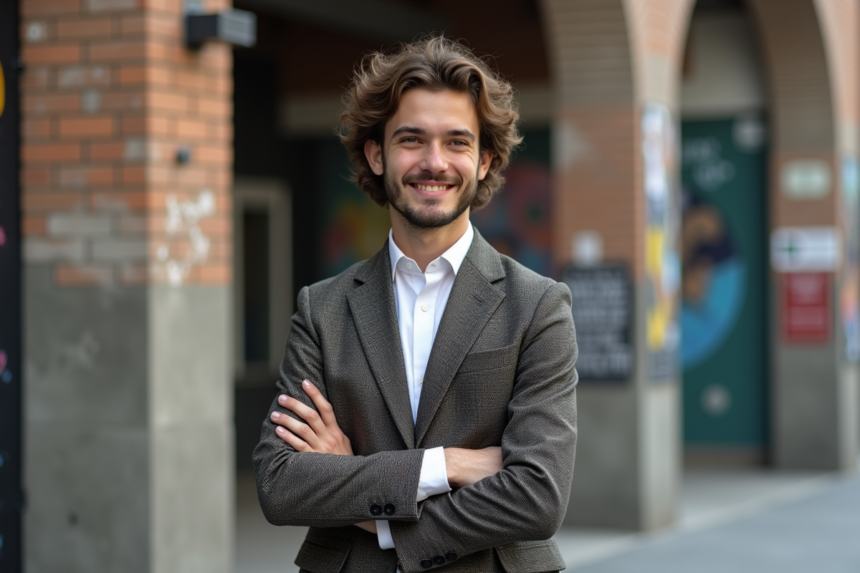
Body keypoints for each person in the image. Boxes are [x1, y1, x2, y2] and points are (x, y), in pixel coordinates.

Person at [253, 36, 578, 573]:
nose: (434, 163)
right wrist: (444, 465)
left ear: (485, 158)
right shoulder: (322, 309)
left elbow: (538, 496)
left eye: (457, 142)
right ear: (377, 154)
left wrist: (368, 505)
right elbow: (280, 483)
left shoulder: (539, 306)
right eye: (412, 140)